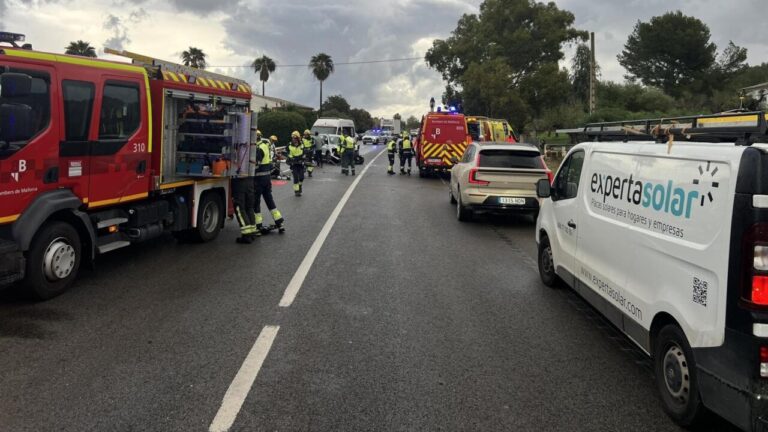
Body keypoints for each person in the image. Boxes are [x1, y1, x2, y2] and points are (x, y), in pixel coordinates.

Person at [251, 128, 285, 235]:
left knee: (256, 203)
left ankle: (258, 226)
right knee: (269, 200)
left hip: (259, 180)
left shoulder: (258, 149)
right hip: (266, 179)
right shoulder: (265, 145)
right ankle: (279, 222)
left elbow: (256, 164)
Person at [232, 141, 256, 244]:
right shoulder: (251, 149)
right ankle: (252, 232)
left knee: (239, 207)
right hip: (250, 180)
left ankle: (246, 235)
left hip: (240, 181)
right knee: (249, 207)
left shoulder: (237, 155)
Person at [287, 131, 305, 196]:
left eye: (295, 138)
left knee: (301, 177)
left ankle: (300, 186)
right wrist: (290, 159)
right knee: (296, 178)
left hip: (300, 163)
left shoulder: (302, 144)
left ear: (298, 138)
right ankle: (296, 191)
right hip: (294, 163)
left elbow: (304, 152)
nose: (293, 139)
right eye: (293, 138)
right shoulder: (289, 145)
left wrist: (303, 158)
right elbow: (288, 153)